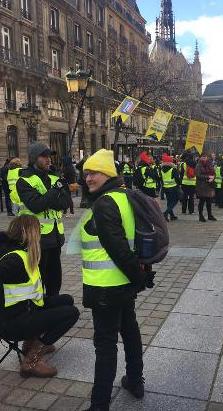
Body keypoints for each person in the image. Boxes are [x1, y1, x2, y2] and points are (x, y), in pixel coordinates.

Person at [80, 149, 148, 411]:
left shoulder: (106, 203)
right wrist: (137, 279)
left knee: (105, 345)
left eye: (93, 172)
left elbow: (117, 248)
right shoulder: (124, 197)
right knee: (130, 331)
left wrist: (139, 278)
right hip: (122, 285)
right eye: (86, 173)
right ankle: (134, 381)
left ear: (107, 173)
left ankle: (99, 405)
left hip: (106, 287)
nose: (88, 178)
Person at [0, 215, 79, 378]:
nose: (41, 233)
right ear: (29, 234)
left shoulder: (20, 252)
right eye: (38, 230)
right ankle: (31, 361)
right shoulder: (14, 259)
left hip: (23, 309)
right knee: (71, 313)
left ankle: (30, 342)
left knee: (67, 300)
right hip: (12, 322)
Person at [15, 142, 71, 296]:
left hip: (56, 238)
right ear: (34, 158)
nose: (49, 160)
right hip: (36, 239)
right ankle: (39, 308)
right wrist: (55, 191)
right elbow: (36, 205)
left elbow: (66, 202)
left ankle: (53, 306)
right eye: (44, 156)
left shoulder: (54, 177)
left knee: (54, 280)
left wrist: (49, 198)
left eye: (49, 156)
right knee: (39, 279)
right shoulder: (24, 180)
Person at [195, 153, 217, 222]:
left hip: (208, 185)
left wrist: (212, 178)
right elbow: (198, 175)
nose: (205, 158)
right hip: (201, 186)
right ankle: (200, 216)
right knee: (202, 201)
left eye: (206, 157)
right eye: (203, 157)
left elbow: (213, 173)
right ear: (200, 158)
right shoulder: (198, 165)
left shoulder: (209, 164)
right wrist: (208, 177)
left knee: (209, 201)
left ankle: (210, 215)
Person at [160, 153, 180, 222]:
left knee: (169, 201)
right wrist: (179, 185)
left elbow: (161, 179)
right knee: (175, 201)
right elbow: (177, 179)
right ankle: (166, 213)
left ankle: (172, 215)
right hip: (173, 187)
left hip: (166, 188)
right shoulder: (173, 169)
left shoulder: (162, 169)